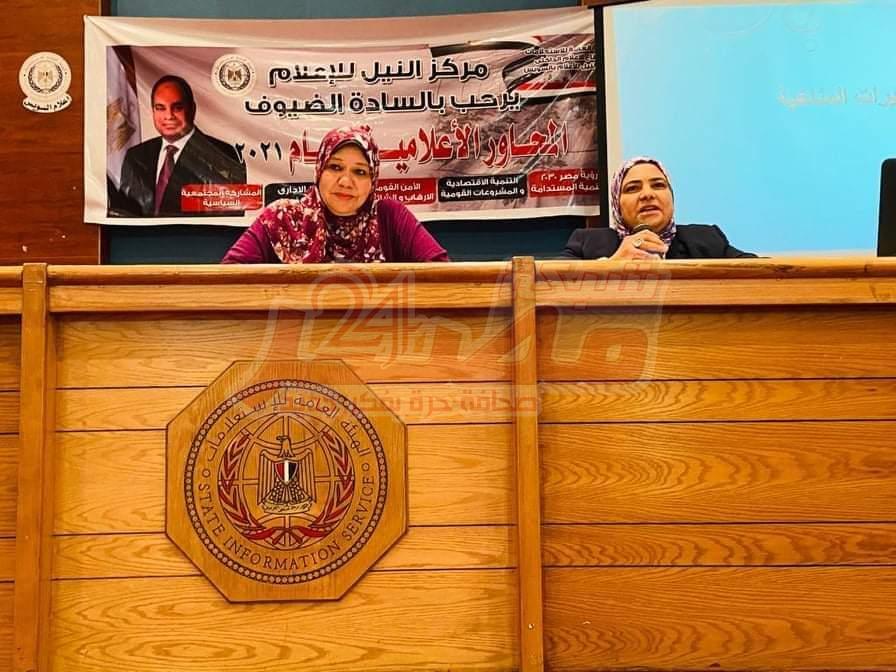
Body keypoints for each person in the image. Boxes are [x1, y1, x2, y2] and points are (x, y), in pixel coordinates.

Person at [222, 125, 448, 263]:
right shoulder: (282, 218)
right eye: (335, 167)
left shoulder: (389, 216)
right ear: (319, 171)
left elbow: (443, 278)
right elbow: (227, 282)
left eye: (360, 172)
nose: (345, 182)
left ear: (373, 181)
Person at [561, 156, 755, 260]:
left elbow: (761, 273)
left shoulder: (706, 240)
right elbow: (550, 283)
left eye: (658, 185)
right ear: (616, 204)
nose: (647, 194)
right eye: (632, 188)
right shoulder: (586, 244)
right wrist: (612, 267)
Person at [113, 75, 246, 217]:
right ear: (153, 111)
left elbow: (230, 215)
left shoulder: (222, 154)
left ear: (192, 109)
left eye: (177, 108)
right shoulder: (136, 156)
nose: (169, 116)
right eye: (160, 108)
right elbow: (124, 214)